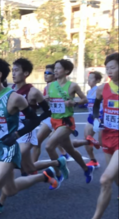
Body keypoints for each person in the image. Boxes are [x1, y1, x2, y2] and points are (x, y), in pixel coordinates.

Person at [0, 57, 59, 219]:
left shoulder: (14, 97)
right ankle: (44, 176)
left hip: (9, 150)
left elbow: (34, 120)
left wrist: (16, 135)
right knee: (10, 190)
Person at [0, 58, 69, 213]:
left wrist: (33, 121)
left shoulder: (33, 91)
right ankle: (56, 165)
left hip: (26, 133)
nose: (13, 73)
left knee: (10, 160)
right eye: (13, 70)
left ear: (26, 73)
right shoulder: (11, 89)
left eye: (17, 70)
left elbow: (48, 111)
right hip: (13, 132)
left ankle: (0, 201)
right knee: (28, 167)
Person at [45, 59, 94, 187]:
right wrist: (45, 99)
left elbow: (85, 99)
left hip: (66, 122)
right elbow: (45, 101)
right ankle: (86, 169)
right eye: (54, 68)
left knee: (49, 146)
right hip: (54, 121)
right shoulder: (50, 86)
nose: (55, 70)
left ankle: (59, 173)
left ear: (66, 71)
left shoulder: (72, 86)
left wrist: (74, 103)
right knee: (70, 150)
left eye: (58, 68)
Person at [92, 52, 119, 219]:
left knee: (105, 179)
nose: (109, 71)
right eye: (107, 68)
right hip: (108, 135)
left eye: (113, 67)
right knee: (115, 176)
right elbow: (95, 107)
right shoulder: (102, 89)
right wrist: (96, 121)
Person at [32, 64, 69, 164]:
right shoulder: (46, 87)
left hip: (61, 119)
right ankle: (32, 169)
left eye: (48, 73)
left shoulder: (61, 87)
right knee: (37, 142)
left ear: (55, 75)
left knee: (61, 143)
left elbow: (68, 102)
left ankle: (65, 156)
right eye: (45, 73)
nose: (45, 75)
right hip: (49, 118)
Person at [72, 71, 103, 168]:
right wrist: (77, 103)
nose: (88, 80)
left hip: (100, 117)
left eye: (91, 78)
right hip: (90, 117)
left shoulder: (100, 90)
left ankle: (97, 142)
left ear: (97, 80)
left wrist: (101, 116)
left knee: (102, 142)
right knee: (87, 139)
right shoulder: (89, 92)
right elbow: (87, 104)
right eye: (88, 78)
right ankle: (93, 160)